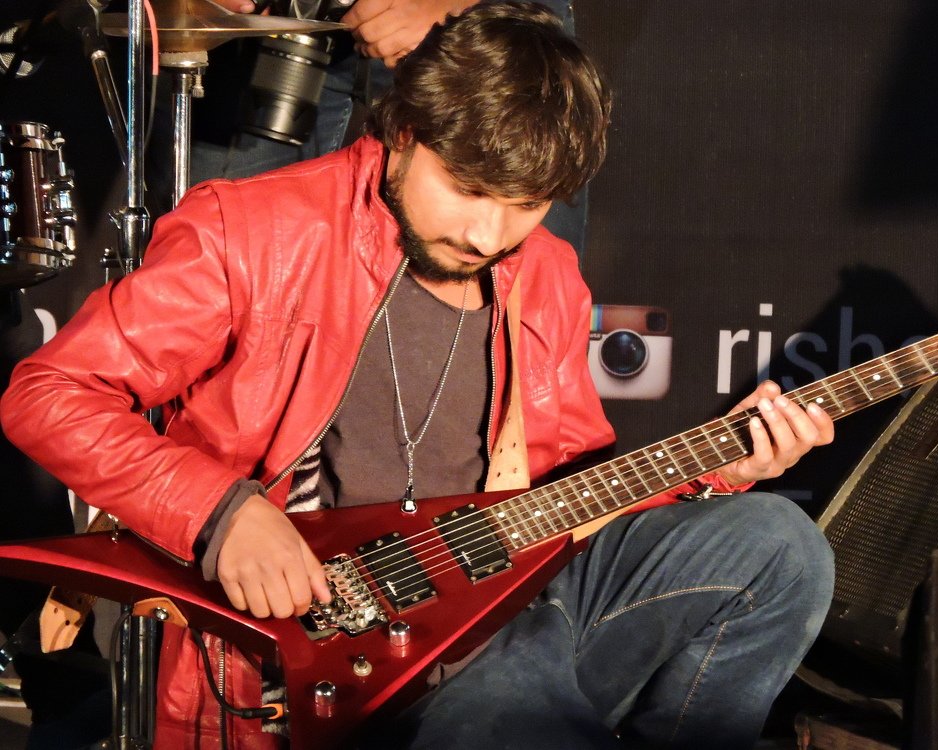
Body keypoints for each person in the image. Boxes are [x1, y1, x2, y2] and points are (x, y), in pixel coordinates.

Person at [1, 3, 835, 748]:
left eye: (526, 204)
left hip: (512, 598)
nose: (488, 235)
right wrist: (222, 513)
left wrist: (721, 471)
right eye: (468, 190)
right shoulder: (254, 231)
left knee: (781, 547)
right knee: (518, 711)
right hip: (354, 644)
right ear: (404, 132)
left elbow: (570, 492)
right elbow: (49, 394)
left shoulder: (544, 271)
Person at [157, 0, 588, 253]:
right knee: (225, 247)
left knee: (507, 289)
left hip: (486, 29)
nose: (486, 239)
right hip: (270, 39)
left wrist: (457, 6)